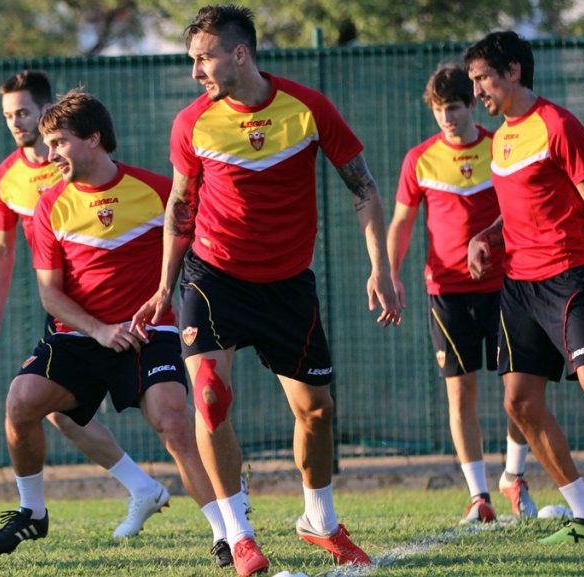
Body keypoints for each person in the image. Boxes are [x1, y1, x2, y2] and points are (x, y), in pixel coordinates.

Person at [133, 5, 401, 575]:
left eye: (204, 58)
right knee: (209, 396)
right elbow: (180, 207)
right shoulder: (191, 123)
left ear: (239, 54)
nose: (195, 71)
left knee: (318, 413)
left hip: (287, 286)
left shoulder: (308, 107)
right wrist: (162, 287)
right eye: (191, 60)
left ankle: (320, 521)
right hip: (213, 279)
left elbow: (364, 189)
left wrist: (380, 267)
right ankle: (239, 535)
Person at [0, 88, 234, 567]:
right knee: (22, 401)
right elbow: (50, 295)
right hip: (80, 337)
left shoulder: (158, 190)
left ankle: (229, 534)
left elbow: (204, 247)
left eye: (59, 142)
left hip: (150, 333)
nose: (50, 154)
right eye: (48, 144)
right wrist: (98, 330)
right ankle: (32, 511)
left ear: (93, 139)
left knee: (173, 420)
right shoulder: (49, 205)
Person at [0, 71, 168, 540]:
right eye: (8, 115)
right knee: (47, 406)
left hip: (129, 303)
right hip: (64, 304)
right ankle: (139, 488)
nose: (16, 123)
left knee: (170, 407)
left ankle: (220, 492)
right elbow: (2, 249)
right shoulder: (6, 179)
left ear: (46, 113)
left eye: (23, 112)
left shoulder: (95, 166)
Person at [464, 30, 584, 544]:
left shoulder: (558, 125)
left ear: (513, 71)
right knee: (519, 403)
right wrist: (486, 236)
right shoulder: (500, 139)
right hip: (519, 286)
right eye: (473, 81)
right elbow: (519, 207)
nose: (476, 91)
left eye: (482, 78)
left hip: (570, 276)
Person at [387, 64, 537, 523]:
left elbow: (522, 208)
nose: (447, 118)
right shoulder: (419, 159)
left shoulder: (499, 147)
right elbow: (402, 222)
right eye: (438, 110)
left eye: (453, 107)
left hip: (506, 286)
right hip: (446, 292)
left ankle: (513, 476)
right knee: (460, 392)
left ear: (472, 104)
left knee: (518, 389)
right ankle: (479, 496)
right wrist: (389, 273)